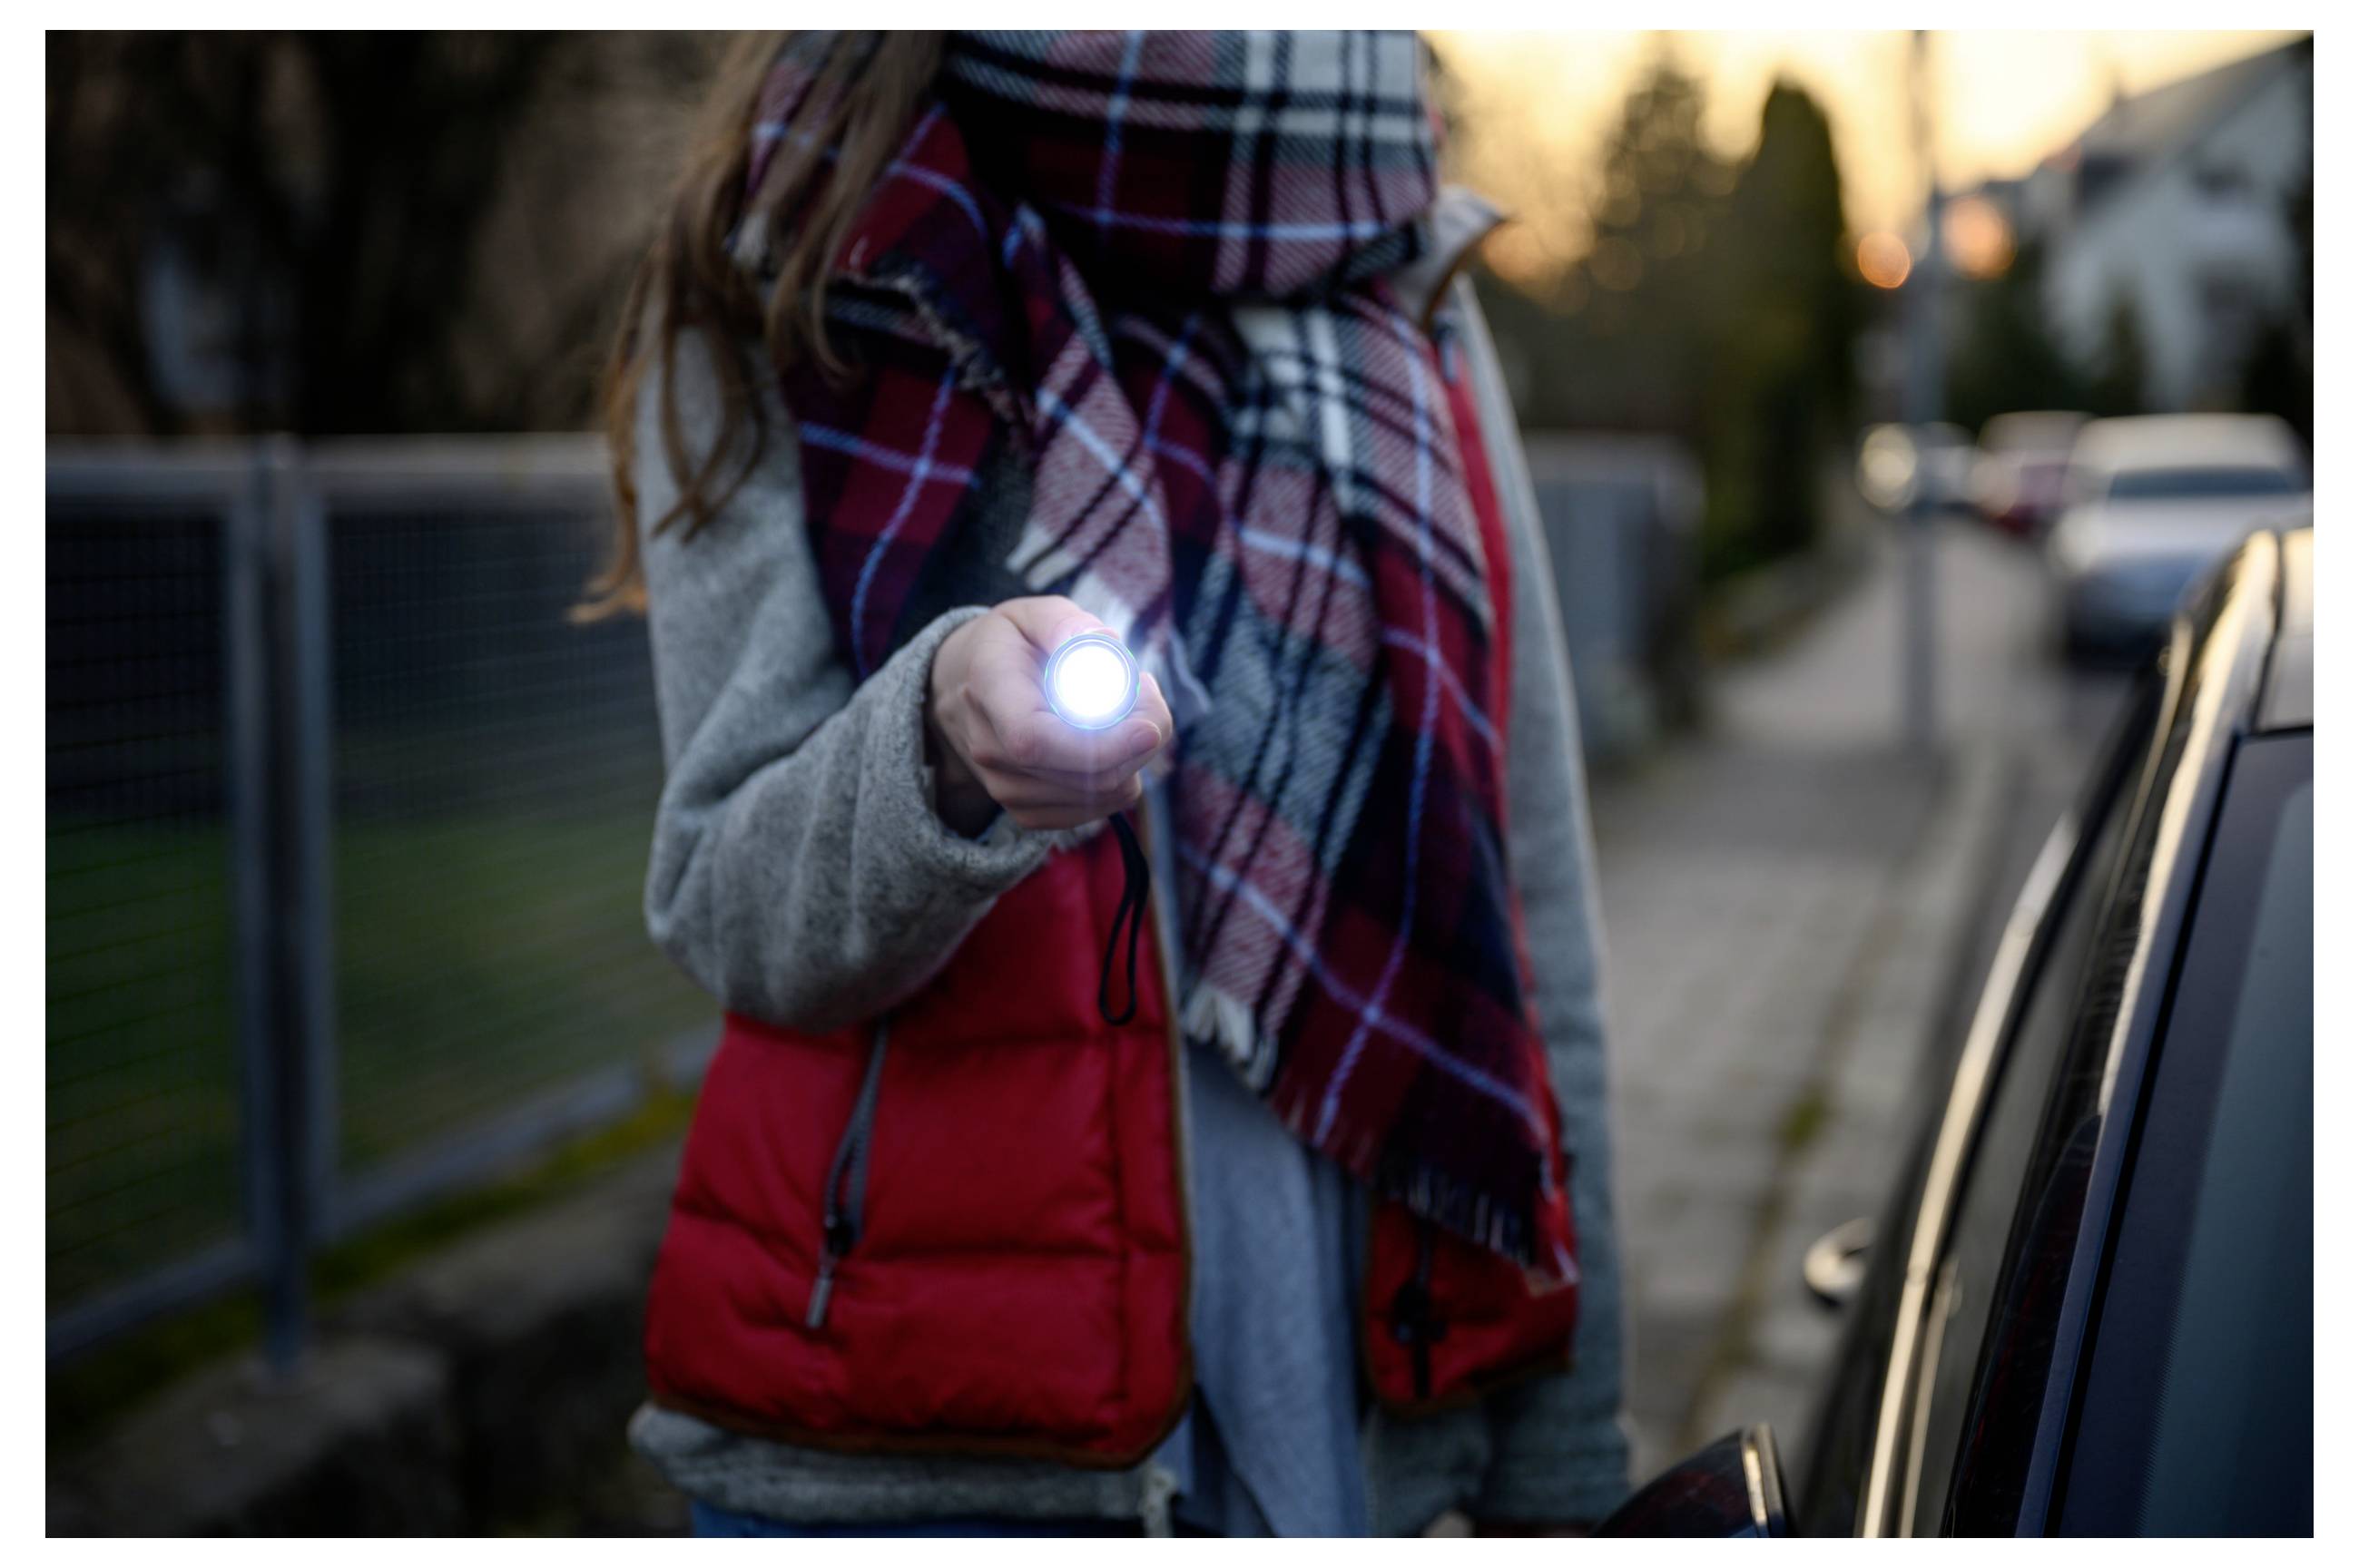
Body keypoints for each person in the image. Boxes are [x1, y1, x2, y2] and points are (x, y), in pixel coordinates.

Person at [589, 29, 1628, 1538]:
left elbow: (1532, 921)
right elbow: (727, 895)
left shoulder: (1401, 272)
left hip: (1370, 1423)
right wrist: (938, 749)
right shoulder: (783, 248)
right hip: (926, 1450)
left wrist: (1574, 1475)